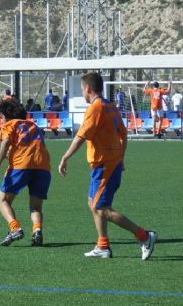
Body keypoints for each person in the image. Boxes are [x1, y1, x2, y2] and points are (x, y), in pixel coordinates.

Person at [59, 72, 156, 260]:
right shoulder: (110, 106)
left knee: (102, 208)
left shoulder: (96, 108)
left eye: (82, 90)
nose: (83, 93)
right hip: (107, 163)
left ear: (88, 88)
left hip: (105, 165)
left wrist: (65, 157)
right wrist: (121, 157)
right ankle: (103, 245)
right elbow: (123, 134)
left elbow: (81, 136)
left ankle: (144, 236)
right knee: (93, 203)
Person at [0, 99, 51, 247]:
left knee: (3, 200)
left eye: (1, 116)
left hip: (21, 166)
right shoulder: (33, 125)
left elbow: (6, 143)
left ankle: (15, 228)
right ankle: (37, 231)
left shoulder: (9, 125)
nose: (1, 119)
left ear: (6, 115)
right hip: (43, 167)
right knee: (36, 206)